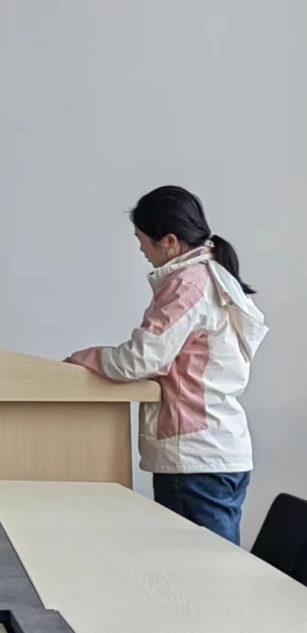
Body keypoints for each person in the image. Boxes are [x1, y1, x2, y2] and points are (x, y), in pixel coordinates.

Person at [67, 186, 268, 544]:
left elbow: (140, 359)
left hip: (195, 459)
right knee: (216, 568)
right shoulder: (215, 276)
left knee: (200, 571)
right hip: (221, 452)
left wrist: (84, 359)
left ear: (170, 242)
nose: (141, 250)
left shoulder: (187, 285)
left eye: (141, 240)